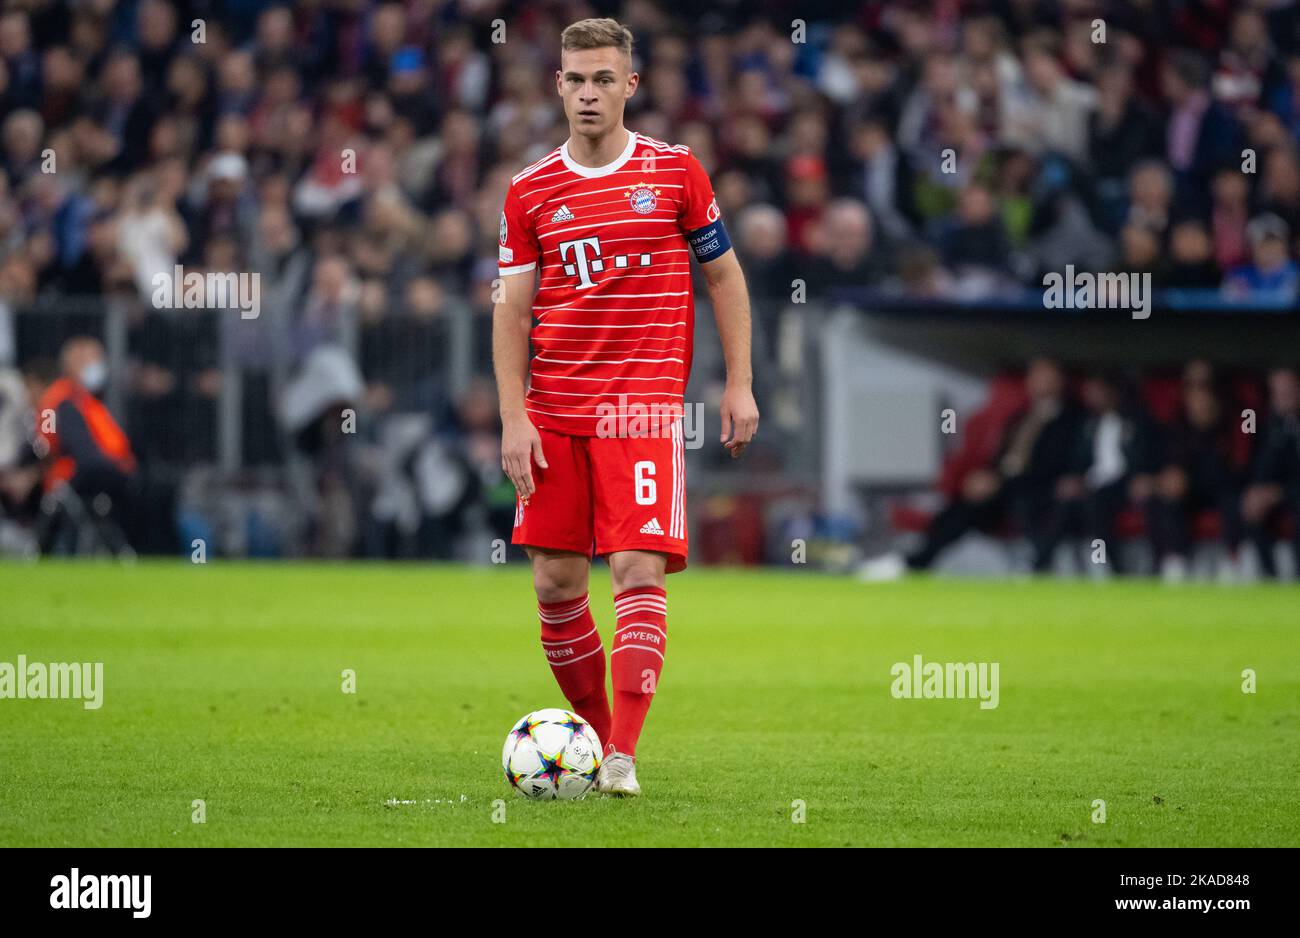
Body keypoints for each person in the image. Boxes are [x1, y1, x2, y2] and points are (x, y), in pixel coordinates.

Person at [492, 18, 758, 797]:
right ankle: (601, 743)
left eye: (603, 79)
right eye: (575, 79)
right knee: (555, 584)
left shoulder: (676, 173)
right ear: (558, 86)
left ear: (630, 86)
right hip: (553, 412)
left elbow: (726, 278)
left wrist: (738, 382)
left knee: (638, 566)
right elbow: (510, 313)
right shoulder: (530, 190)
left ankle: (623, 754)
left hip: (641, 410)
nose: (587, 93)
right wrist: (514, 418)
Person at [33, 336, 137, 554]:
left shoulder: (83, 399)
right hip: (73, 474)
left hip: (92, 470)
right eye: (93, 359)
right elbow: (65, 446)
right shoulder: (64, 401)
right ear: (74, 363)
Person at [1242, 367, 1300, 578]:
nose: (1283, 396)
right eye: (1277, 391)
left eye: (1288, 389)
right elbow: (1259, 465)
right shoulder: (1260, 422)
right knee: (1250, 505)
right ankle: (1269, 576)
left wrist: (1280, 491)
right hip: (1274, 494)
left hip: (1293, 492)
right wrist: (1258, 491)